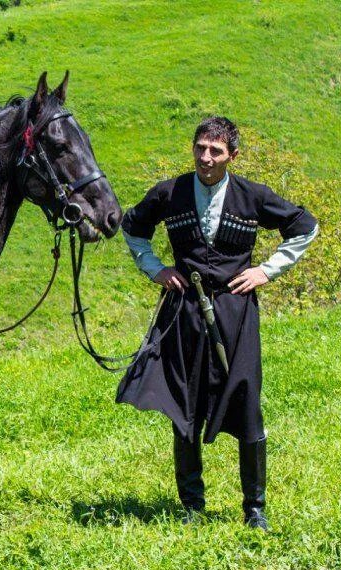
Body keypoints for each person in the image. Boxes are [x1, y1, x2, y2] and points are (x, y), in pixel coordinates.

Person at [116, 116, 319, 531]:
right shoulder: (168, 193)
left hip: (235, 311)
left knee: (245, 400)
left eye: (216, 151)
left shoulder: (252, 196)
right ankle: (192, 506)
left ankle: (255, 509)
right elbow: (132, 227)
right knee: (183, 405)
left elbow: (305, 227)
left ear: (232, 156)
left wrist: (267, 270)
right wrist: (155, 268)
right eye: (200, 148)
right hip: (184, 311)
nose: (205, 158)